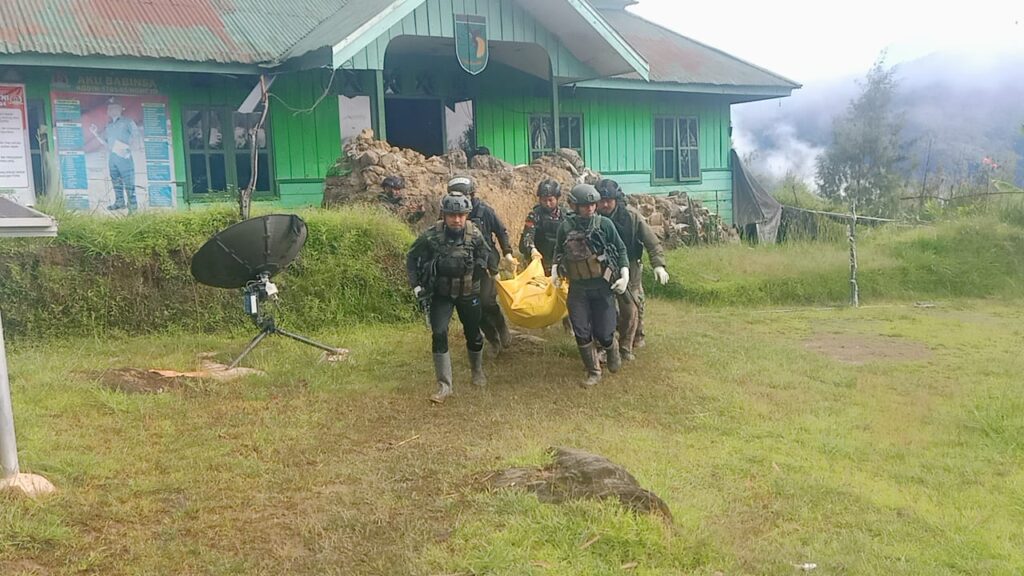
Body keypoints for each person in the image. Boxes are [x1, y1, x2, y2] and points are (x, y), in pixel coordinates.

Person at [406, 191, 493, 404]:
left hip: (468, 292)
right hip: (441, 294)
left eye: (461, 215)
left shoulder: (475, 234)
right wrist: (416, 285)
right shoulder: (431, 235)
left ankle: (477, 371)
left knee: (473, 333)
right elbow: (412, 256)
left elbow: (486, 253)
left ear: (467, 215)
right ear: (444, 215)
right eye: (452, 215)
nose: (457, 220)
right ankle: (444, 385)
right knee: (439, 333)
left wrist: (482, 267)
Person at [552, 184, 629, 387]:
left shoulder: (605, 224)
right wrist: (555, 271)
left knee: (604, 333)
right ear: (575, 206)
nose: (590, 208)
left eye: (593, 205)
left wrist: (624, 274)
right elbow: (558, 250)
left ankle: (611, 348)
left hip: (602, 287)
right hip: (578, 288)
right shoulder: (565, 227)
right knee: (581, 331)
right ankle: (593, 371)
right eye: (585, 205)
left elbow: (620, 249)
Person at [595, 179, 670, 360]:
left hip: (630, 265)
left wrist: (658, 265)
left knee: (631, 306)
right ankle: (603, 345)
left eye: (609, 200)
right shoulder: (591, 217)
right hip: (600, 267)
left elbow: (652, 242)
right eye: (601, 201)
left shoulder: (631, 216)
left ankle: (626, 345)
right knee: (602, 307)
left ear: (616, 199)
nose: (605, 205)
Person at [447, 175, 516, 353]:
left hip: (486, 266)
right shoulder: (448, 214)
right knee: (473, 309)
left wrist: (507, 252)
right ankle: (492, 339)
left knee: (486, 301)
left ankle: (501, 326)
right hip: (462, 268)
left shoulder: (484, 211)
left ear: (471, 195)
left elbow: (500, 231)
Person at [89, 97, 139, 212]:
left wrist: (128, 149)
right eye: (109, 108)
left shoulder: (128, 122)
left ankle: (133, 207)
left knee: (129, 182)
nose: (111, 110)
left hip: (124, 156)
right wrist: (95, 133)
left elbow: (136, 137)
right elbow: (106, 143)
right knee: (116, 180)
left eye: (114, 107)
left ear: (120, 109)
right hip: (113, 156)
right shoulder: (109, 126)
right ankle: (119, 202)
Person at [519, 179, 568, 270]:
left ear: (557, 199)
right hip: (538, 261)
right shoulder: (534, 215)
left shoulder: (565, 216)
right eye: (544, 200)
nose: (547, 204)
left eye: (550, 200)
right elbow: (528, 236)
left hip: (559, 262)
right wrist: (532, 250)